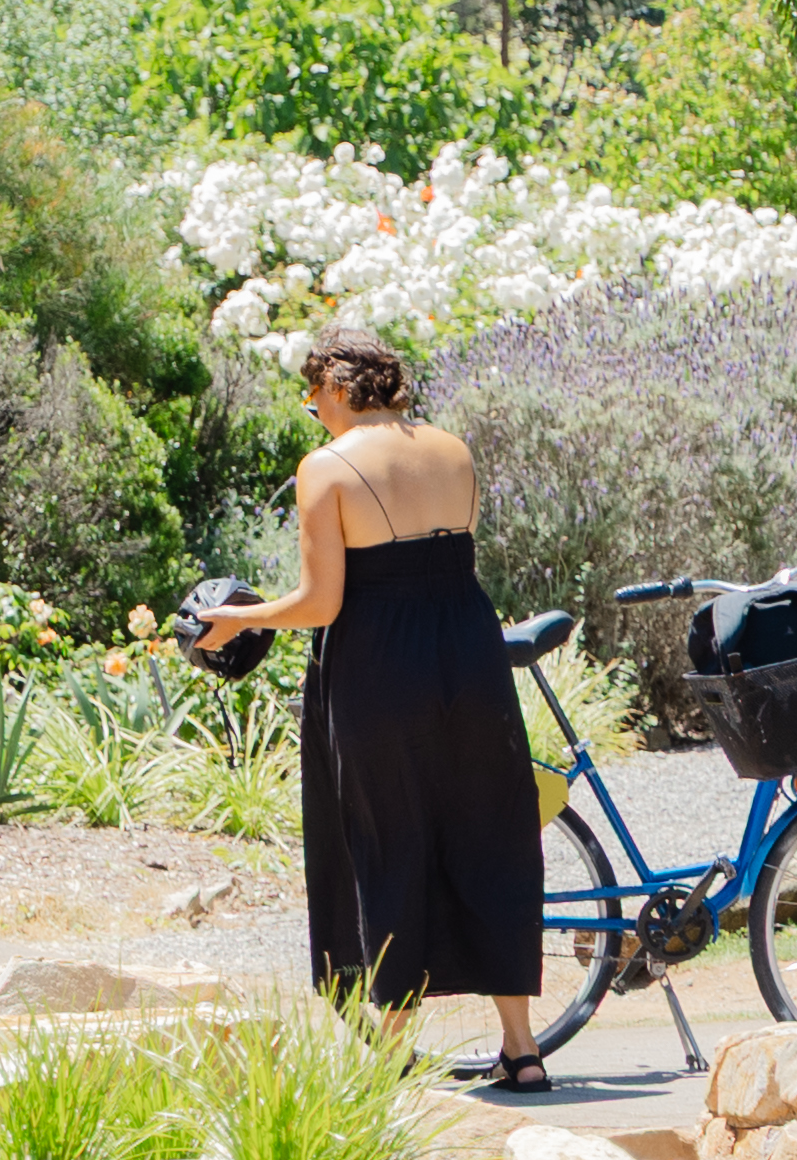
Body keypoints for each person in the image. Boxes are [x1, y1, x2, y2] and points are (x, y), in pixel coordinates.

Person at [193, 325, 554, 1089]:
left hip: (380, 669)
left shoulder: (325, 468)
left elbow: (324, 604)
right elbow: (453, 565)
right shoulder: (453, 449)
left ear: (340, 385)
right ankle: (522, 1047)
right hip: (469, 652)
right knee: (489, 833)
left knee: (388, 837)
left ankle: (390, 1050)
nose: (309, 404)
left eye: (314, 389)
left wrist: (241, 620)